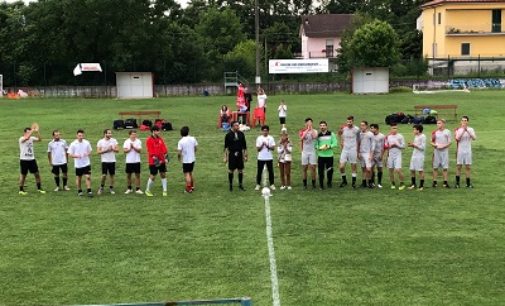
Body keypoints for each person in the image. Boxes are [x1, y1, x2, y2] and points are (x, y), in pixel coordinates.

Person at [18, 127, 46, 195]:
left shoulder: (32, 138)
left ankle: (39, 188)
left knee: (37, 174)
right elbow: (27, 138)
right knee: (23, 175)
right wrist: (32, 130)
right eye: (27, 132)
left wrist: (37, 132)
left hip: (32, 159)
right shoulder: (21, 139)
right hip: (24, 160)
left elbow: (40, 139)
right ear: (24, 133)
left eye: (29, 132)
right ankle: (21, 190)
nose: (29, 133)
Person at [67, 129, 93, 197]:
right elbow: (69, 154)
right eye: (79, 135)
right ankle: (79, 190)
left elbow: (90, 151)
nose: (80, 137)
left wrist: (87, 154)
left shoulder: (87, 142)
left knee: (88, 177)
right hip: (78, 164)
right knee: (79, 178)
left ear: (83, 135)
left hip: (86, 163)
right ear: (77, 136)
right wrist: (76, 156)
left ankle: (89, 191)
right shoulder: (73, 144)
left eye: (82, 135)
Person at [224, 121, 248, 191]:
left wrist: (245, 155)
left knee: (240, 170)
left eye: (238, 125)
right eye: (236, 125)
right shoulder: (228, 135)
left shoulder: (241, 134)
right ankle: (231, 185)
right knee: (231, 170)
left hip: (240, 154)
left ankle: (240, 185)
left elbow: (244, 146)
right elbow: (226, 147)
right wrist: (225, 157)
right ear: (232, 126)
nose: (238, 127)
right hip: (232, 154)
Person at [145, 126, 168, 197]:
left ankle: (165, 190)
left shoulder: (160, 139)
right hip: (153, 161)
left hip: (161, 160)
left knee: (163, 174)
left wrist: (166, 158)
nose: (159, 132)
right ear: (153, 131)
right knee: (153, 175)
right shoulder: (149, 140)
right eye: (157, 131)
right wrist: (158, 162)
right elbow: (151, 153)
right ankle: (147, 190)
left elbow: (164, 150)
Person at [455, 115, 476, 188]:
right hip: (460, 150)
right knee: (459, 166)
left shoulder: (471, 129)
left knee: (468, 167)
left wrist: (468, 131)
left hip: (468, 150)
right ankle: (457, 183)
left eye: (465, 120)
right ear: (461, 122)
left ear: (467, 122)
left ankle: (468, 183)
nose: (464, 122)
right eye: (462, 120)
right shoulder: (458, 130)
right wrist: (463, 130)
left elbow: (474, 138)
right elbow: (457, 139)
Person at [315, 121, 337, 189]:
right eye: (321, 125)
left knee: (330, 170)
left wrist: (329, 146)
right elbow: (316, 144)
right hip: (321, 156)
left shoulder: (331, 134)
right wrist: (319, 148)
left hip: (329, 156)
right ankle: (321, 185)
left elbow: (335, 143)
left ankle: (329, 182)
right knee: (320, 171)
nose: (322, 127)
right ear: (319, 127)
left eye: (324, 125)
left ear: (326, 126)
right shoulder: (318, 135)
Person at [339, 116, 360, 188]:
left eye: (350, 121)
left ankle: (353, 182)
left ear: (353, 121)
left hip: (353, 149)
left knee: (353, 166)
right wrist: (340, 131)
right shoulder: (344, 128)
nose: (349, 123)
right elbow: (340, 135)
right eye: (348, 121)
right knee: (341, 167)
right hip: (345, 149)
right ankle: (344, 180)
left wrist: (358, 151)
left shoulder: (356, 129)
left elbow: (358, 140)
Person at [97, 129, 119, 195]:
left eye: (111, 133)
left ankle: (111, 188)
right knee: (104, 175)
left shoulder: (114, 140)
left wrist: (113, 149)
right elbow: (98, 152)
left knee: (112, 175)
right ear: (105, 134)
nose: (110, 134)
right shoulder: (100, 141)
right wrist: (106, 150)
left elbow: (117, 150)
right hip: (104, 161)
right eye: (109, 133)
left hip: (112, 160)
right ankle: (101, 187)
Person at [431, 119, 452, 188]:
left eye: (439, 123)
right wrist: (435, 145)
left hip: (444, 151)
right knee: (435, 167)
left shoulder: (447, 132)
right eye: (437, 123)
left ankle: (445, 182)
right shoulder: (435, 132)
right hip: (436, 151)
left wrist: (443, 146)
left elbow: (449, 142)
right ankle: (434, 182)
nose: (438, 125)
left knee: (445, 167)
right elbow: (431, 142)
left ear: (443, 124)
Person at [384, 123, 406, 190]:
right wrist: (386, 155)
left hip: (398, 155)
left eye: (396, 128)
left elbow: (403, 146)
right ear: (390, 129)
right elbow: (386, 146)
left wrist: (396, 145)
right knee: (390, 170)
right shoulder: (388, 137)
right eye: (393, 128)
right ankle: (392, 183)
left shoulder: (400, 136)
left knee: (398, 169)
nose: (395, 129)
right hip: (390, 155)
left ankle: (402, 183)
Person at [177, 126, 198, 193]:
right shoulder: (193, 138)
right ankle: (192, 186)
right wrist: (193, 153)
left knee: (187, 174)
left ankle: (188, 189)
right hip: (192, 159)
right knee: (191, 172)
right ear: (188, 132)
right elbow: (195, 148)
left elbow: (179, 152)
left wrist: (179, 158)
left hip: (186, 160)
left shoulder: (181, 141)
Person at [299, 118, 318, 189]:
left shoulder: (315, 131)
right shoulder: (302, 131)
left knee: (313, 168)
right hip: (305, 152)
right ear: (305, 123)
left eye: (310, 122)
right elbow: (301, 138)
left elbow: (315, 137)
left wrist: (311, 129)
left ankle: (314, 183)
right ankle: (305, 184)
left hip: (312, 152)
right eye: (308, 122)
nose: (309, 124)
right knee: (304, 168)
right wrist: (307, 130)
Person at [255, 125, 276, 191]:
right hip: (261, 158)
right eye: (264, 131)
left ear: (268, 131)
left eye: (266, 131)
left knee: (271, 171)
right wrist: (262, 145)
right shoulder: (259, 138)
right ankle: (258, 184)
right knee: (259, 171)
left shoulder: (271, 138)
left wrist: (267, 146)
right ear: (262, 131)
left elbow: (273, 148)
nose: (265, 132)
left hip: (269, 157)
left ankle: (272, 184)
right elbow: (258, 149)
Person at [123, 129, 143, 194]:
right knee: (128, 175)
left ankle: (138, 189)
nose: (134, 135)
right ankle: (129, 188)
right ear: (130, 135)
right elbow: (125, 151)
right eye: (133, 134)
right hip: (129, 161)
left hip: (136, 160)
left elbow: (139, 151)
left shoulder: (138, 141)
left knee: (137, 175)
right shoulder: (126, 141)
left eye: (135, 134)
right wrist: (130, 148)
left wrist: (133, 147)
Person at [407, 124, 426, 190]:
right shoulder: (416, 136)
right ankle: (413, 184)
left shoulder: (423, 136)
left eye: (414, 129)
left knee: (420, 170)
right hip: (414, 155)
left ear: (418, 130)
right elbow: (416, 145)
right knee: (412, 170)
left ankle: (421, 186)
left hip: (420, 156)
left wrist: (414, 145)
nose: (413, 131)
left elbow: (422, 148)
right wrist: (412, 145)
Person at [358, 121, 375, 188]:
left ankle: (370, 182)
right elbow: (358, 144)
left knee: (368, 169)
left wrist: (371, 154)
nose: (362, 127)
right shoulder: (359, 134)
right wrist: (358, 152)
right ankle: (364, 182)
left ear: (366, 126)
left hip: (367, 153)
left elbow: (373, 144)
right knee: (363, 168)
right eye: (361, 125)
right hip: (361, 153)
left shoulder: (370, 134)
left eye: (363, 125)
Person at [370, 123, 385, 188]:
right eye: (370, 128)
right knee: (371, 168)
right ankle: (372, 182)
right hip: (372, 154)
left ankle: (379, 182)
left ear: (376, 129)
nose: (371, 129)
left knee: (380, 168)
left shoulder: (382, 136)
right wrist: (371, 155)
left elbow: (383, 146)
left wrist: (382, 155)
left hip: (379, 154)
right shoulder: (370, 135)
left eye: (372, 128)